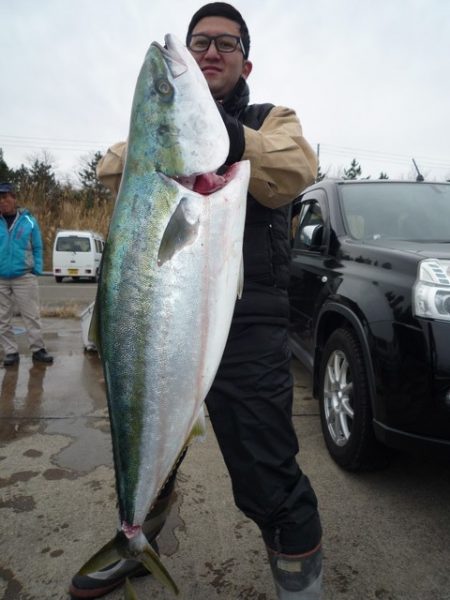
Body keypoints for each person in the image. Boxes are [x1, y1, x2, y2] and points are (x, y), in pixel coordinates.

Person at [70, 4, 322, 599]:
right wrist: (170, 130)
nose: (210, 52)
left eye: (225, 44)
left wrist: (229, 136)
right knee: (148, 449)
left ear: (246, 60)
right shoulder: (161, 130)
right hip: (166, 323)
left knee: (267, 473)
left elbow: (297, 167)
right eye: (200, 41)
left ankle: (300, 581)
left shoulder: (271, 119)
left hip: (249, 329)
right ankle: (135, 537)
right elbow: (114, 166)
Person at [0, 182, 54, 366]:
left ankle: (38, 349)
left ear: (14, 198)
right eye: (0, 198)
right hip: (1, 278)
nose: (2, 201)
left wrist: (36, 269)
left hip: (24, 276)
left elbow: (38, 247)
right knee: (2, 318)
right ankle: (10, 352)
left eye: (6, 197)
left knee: (31, 315)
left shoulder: (29, 221)